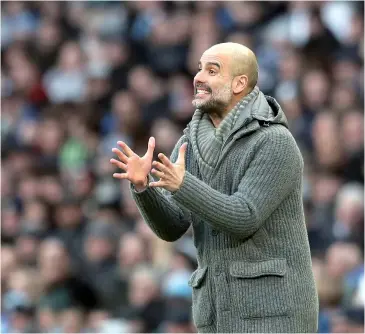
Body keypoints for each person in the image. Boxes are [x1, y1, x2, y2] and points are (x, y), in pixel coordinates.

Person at [110, 42, 319, 333]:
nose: (198, 78)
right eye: (199, 69)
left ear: (239, 83)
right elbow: (172, 227)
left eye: (212, 70)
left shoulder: (274, 141)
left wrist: (183, 185)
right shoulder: (190, 145)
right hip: (218, 316)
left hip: (274, 316)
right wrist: (144, 189)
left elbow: (244, 217)